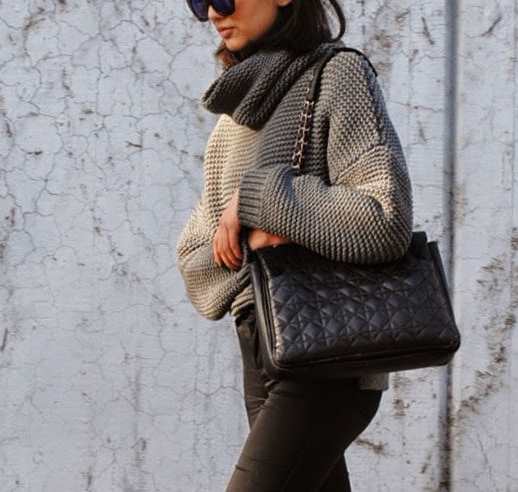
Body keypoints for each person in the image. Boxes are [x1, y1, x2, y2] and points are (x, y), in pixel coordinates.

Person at [174, 0, 414, 490]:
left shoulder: (337, 76)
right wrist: (259, 235)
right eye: (199, 1)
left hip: (328, 356)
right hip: (259, 351)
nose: (212, 13)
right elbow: (197, 264)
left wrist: (260, 200)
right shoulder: (231, 123)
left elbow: (384, 219)